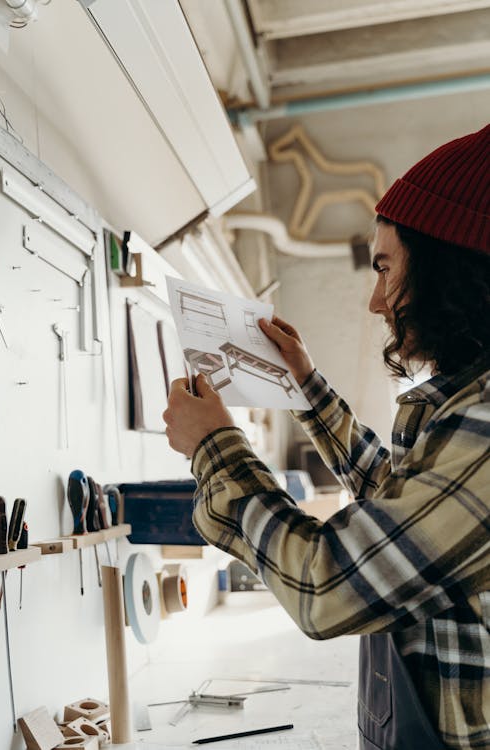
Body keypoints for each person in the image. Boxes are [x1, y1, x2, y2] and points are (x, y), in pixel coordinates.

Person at [163, 124, 490, 750]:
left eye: (386, 268)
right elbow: (399, 500)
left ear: (449, 269)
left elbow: (330, 584)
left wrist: (215, 449)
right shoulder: (464, 406)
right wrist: (306, 384)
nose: (375, 302)